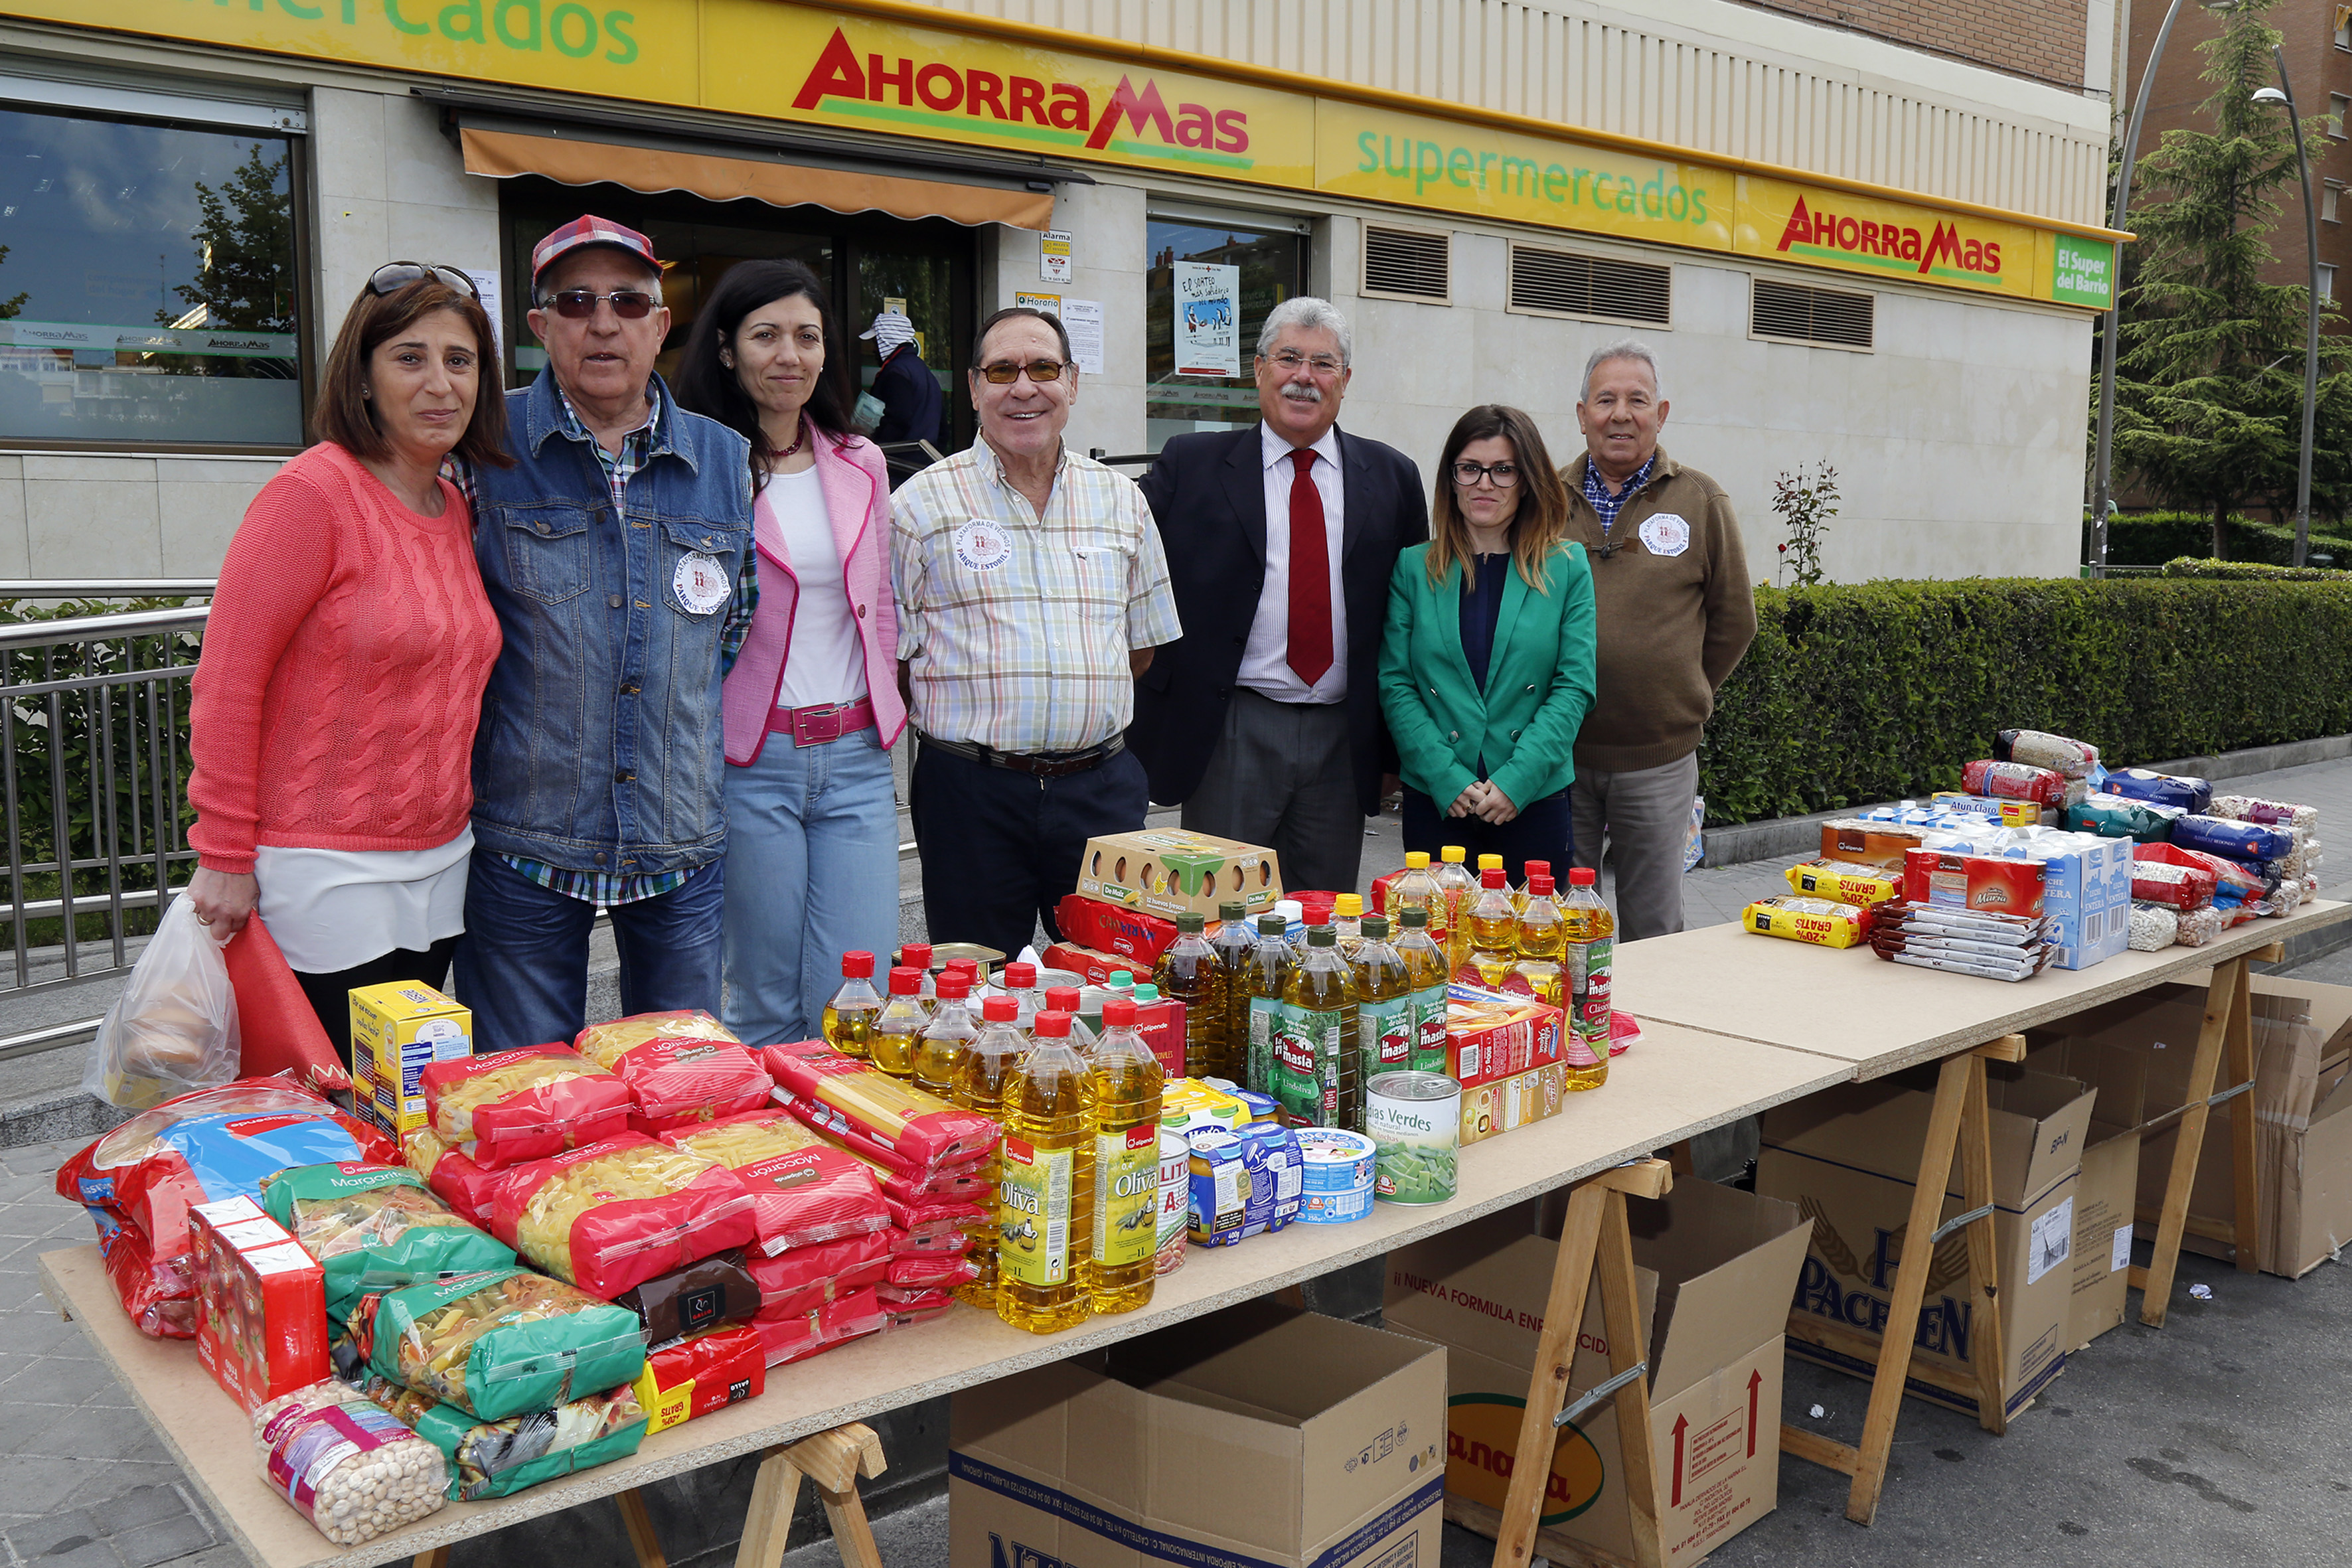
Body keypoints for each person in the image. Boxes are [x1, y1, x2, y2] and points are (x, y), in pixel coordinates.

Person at [186, 263, 509, 1067]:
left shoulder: (453, 505)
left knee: (399, 1109)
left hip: (439, 863)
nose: (440, 383)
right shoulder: (312, 495)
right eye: (410, 358)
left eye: (459, 360)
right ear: (361, 377)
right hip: (324, 871)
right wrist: (224, 856)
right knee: (330, 1111)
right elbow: (227, 682)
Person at [454, 216, 755, 1052]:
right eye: (576, 300)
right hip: (526, 836)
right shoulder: (484, 447)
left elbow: (726, 630)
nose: (603, 321)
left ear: (661, 325)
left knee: (682, 1097)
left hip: (678, 835)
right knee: (528, 1097)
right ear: (540, 325)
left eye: (628, 300)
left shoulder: (725, 459)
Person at [891, 305, 1181, 957]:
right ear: (973, 387)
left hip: (1099, 790)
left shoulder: (1123, 500)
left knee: (1117, 983)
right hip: (969, 792)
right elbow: (897, 659)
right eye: (1002, 370)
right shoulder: (915, 507)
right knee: (972, 997)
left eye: (1043, 367)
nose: (1024, 387)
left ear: (1072, 382)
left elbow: (1142, 645)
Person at [674, 261, 903, 1046]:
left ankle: (852, 1155)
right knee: (765, 994)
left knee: (858, 992)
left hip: (856, 760)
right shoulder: (700, 467)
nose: (789, 355)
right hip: (750, 760)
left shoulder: (860, 462)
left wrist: (888, 709)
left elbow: (884, 609)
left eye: (807, 337)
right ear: (728, 351)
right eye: (765, 335)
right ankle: (776, 1160)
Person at [1131, 297, 1427, 897]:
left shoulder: (1393, 476)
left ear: (1345, 381)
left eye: (1323, 364)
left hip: (1342, 738)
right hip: (1231, 728)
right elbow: (1120, 553)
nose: (1304, 377)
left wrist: (1395, 750)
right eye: (1289, 358)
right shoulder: (1192, 464)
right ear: (1259, 369)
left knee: (1323, 917)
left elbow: (1411, 618)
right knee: (1216, 917)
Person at [1565, 338, 1755, 941]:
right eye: (1605, 400)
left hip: (1658, 760)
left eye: (1636, 400)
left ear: (1661, 412)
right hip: (1554, 758)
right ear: (1581, 414)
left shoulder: (1700, 500)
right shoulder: (1543, 499)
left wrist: (1679, 690)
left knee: (1654, 929)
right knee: (1560, 924)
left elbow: (1734, 620)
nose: (1620, 414)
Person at [1379, 406, 1595, 884]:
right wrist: (1444, 774)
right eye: (1470, 468)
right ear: (1451, 479)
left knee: (1531, 951)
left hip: (1532, 798)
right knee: (1435, 948)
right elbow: (1396, 682)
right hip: (1439, 798)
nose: (1484, 483)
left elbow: (1573, 685)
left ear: (1527, 481)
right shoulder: (1413, 568)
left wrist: (1517, 780)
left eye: (1503, 470)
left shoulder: (1566, 566)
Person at [859, 308, 944, 450]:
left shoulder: (896, 372)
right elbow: (942, 427)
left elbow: (898, 419)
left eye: (876, 342)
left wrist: (874, 447)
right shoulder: (923, 370)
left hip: (899, 461)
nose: (874, 349)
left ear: (886, 339)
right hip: (924, 458)